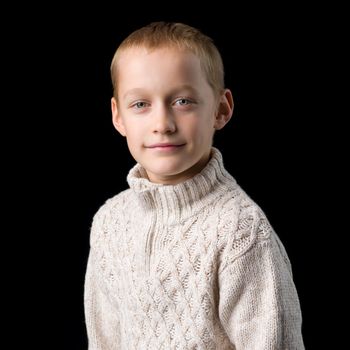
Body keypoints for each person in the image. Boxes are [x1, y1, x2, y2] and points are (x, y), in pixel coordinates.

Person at [84, 21, 304, 349]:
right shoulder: (109, 222)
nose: (162, 124)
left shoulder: (240, 231)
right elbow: (104, 341)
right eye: (141, 104)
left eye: (182, 101)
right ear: (118, 117)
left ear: (221, 109)